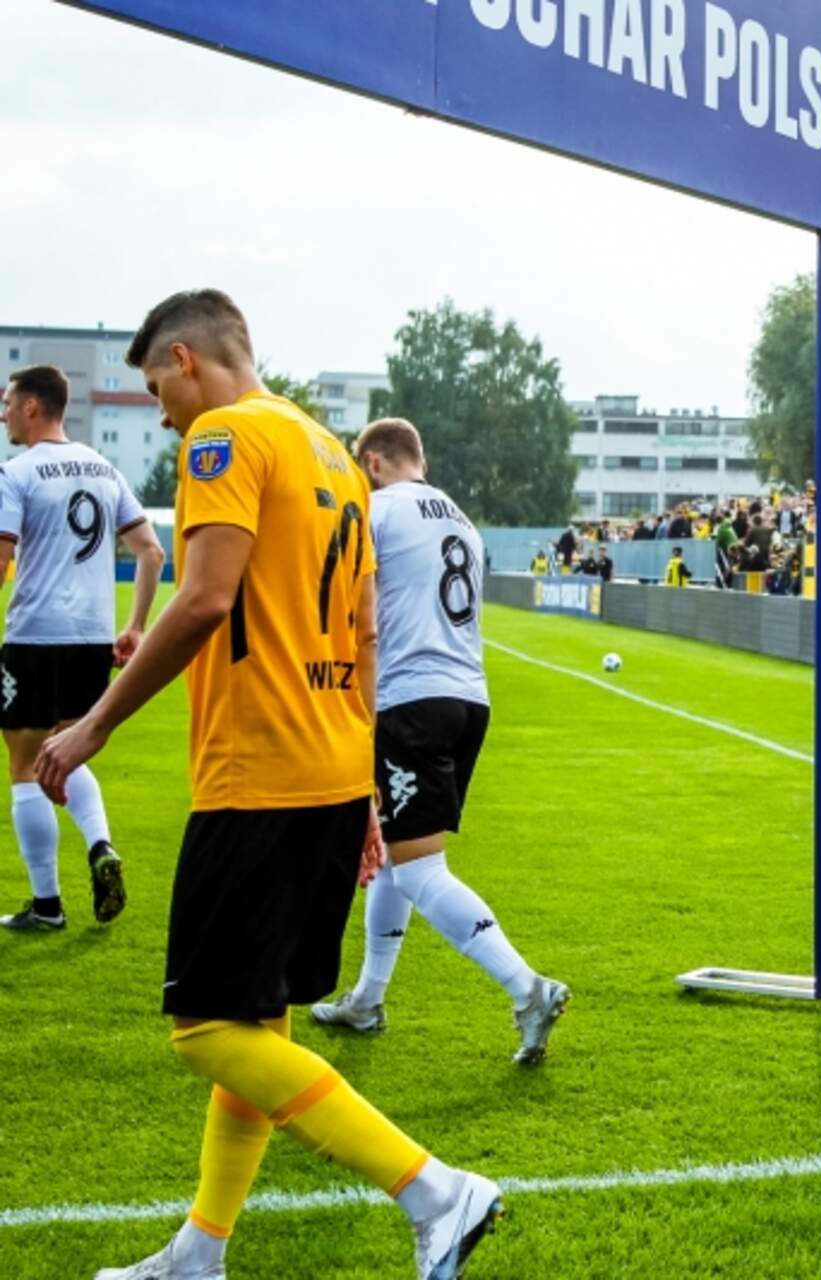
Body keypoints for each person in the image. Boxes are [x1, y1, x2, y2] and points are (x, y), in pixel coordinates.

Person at [38, 290, 499, 1279]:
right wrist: (366, 788)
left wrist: (94, 722)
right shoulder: (333, 453)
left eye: (156, 385)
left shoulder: (227, 438)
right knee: (256, 1023)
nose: (162, 412)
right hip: (329, 767)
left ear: (187, 359)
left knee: (207, 1030)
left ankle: (435, 1190)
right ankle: (199, 1253)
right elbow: (365, 634)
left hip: (260, 772)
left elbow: (205, 597)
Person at [310, 418, 570, 1064]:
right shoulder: (463, 522)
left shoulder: (376, 510)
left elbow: (348, 606)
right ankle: (368, 999)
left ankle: (527, 988)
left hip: (410, 699)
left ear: (372, 462)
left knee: (420, 868)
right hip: (468, 699)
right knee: (394, 856)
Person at [0, 365, 165, 931]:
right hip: (93, 639)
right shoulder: (103, 466)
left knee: (25, 766)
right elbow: (151, 551)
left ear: (31, 406)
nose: (3, 413)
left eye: (8, 403)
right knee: (68, 751)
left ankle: (47, 905)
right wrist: (135, 625)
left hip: (35, 635)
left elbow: (2, 561)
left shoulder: (16, 472)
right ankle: (100, 846)